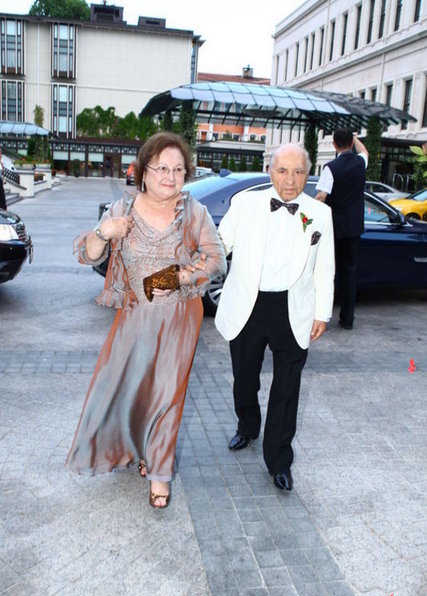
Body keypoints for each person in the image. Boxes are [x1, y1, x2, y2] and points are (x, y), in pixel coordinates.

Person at [66, 132, 226, 509]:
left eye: (178, 170)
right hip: (134, 317)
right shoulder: (122, 209)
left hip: (179, 317)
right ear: (143, 171)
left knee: (168, 393)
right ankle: (139, 450)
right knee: (132, 390)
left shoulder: (194, 213)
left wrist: (171, 278)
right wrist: (103, 232)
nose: (170, 177)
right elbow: (89, 256)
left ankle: (159, 473)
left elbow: (216, 259)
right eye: (162, 168)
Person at [215, 143, 335, 491]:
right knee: (244, 377)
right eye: (283, 171)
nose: (290, 180)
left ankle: (279, 460)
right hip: (248, 305)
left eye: (299, 172)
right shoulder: (245, 203)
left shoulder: (320, 214)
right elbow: (219, 246)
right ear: (270, 171)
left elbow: (324, 266)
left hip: (294, 308)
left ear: (309, 174)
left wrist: (322, 313)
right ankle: (247, 425)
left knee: (287, 388)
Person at [315, 128, 368, 330]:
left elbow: (321, 197)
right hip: (353, 228)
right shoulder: (360, 163)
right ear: (351, 143)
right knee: (349, 273)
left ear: (334, 145)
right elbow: (364, 151)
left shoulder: (330, 168)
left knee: (326, 271)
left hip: (334, 228)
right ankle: (347, 320)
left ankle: (321, 315)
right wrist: (354, 138)